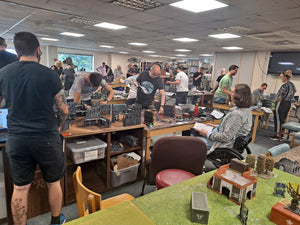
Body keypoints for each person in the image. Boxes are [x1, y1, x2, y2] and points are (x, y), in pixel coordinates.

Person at [0, 31, 68, 225]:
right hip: (46, 137)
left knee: (20, 188)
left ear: (17, 50)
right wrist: (58, 125)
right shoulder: (50, 74)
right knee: (53, 182)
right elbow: (64, 109)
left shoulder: (3, 74)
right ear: (38, 50)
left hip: (17, 139)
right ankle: (56, 221)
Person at [195, 84, 252, 154]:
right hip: (219, 135)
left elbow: (225, 137)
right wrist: (215, 126)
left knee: (191, 141)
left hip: (220, 143)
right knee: (195, 133)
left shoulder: (237, 115)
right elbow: (233, 128)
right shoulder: (246, 110)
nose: (231, 94)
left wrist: (207, 134)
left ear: (239, 96)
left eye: (233, 92)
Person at [270, 70, 297, 140]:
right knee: (282, 119)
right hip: (287, 104)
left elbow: (279, 96)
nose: (281, 79)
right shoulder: (292, 85)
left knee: (278, 119)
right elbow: (292, 95)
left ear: (285, 77)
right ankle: (281, 135)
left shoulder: (285, 85)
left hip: (281, 104)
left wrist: (277, 99)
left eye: (282, 77)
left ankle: (278, 135)